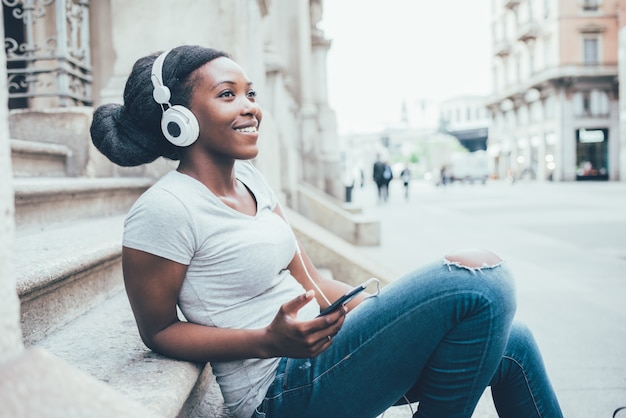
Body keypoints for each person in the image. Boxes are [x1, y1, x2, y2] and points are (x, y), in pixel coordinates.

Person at [90, 45, 563, 418]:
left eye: (251, 93)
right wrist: (266, 341)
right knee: (481, 280)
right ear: (179, 120)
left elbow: (312, 282)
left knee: (511, 340)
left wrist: (400, 319)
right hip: (278, 391)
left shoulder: (253, 182)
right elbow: (159, 331)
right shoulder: (164, 209)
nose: (251, 107)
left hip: (331, 355)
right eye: (227, 94)